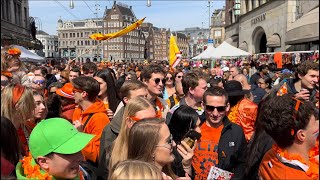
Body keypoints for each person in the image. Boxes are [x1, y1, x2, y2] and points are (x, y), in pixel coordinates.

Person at [259, 94, 319, 179]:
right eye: (315, 122)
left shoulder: (270, 156)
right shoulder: (299, 177)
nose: (318, 125)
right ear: (301, 135)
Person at [192, 87, 247, 180]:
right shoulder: (194, 127)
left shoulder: (236, 132)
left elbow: (242, 163)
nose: (215, 113)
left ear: (227, 107)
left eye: (220, 109)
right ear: (203, 105)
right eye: (210, 108)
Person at [15, 118, 94, 180]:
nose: (81, 158)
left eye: (78, 150)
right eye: (70, 153)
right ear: (44, 162)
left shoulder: (78, 174)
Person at [108, 97, 156, 175]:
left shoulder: (161, 147)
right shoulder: (111, 153)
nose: (153, 126)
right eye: (144, 122)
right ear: (129, 121)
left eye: (155, 120)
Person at [71, 76, 110, 164]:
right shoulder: (78, 110)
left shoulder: (99, 118)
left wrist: (80, 135)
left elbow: (96, 154)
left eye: (74, 91)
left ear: (83, 94)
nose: (72, 93)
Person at [1, 84, 36, 155]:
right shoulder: (3, 133)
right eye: (30, 102)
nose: (34, 105)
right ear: (18, 106)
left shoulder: (29, 127)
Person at [168, 105, 201, 177]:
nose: (199, 131)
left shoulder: (189, 147)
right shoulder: (170, 153)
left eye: (199, 125)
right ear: (182, 128)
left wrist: (187, 166)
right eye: (194, 127)